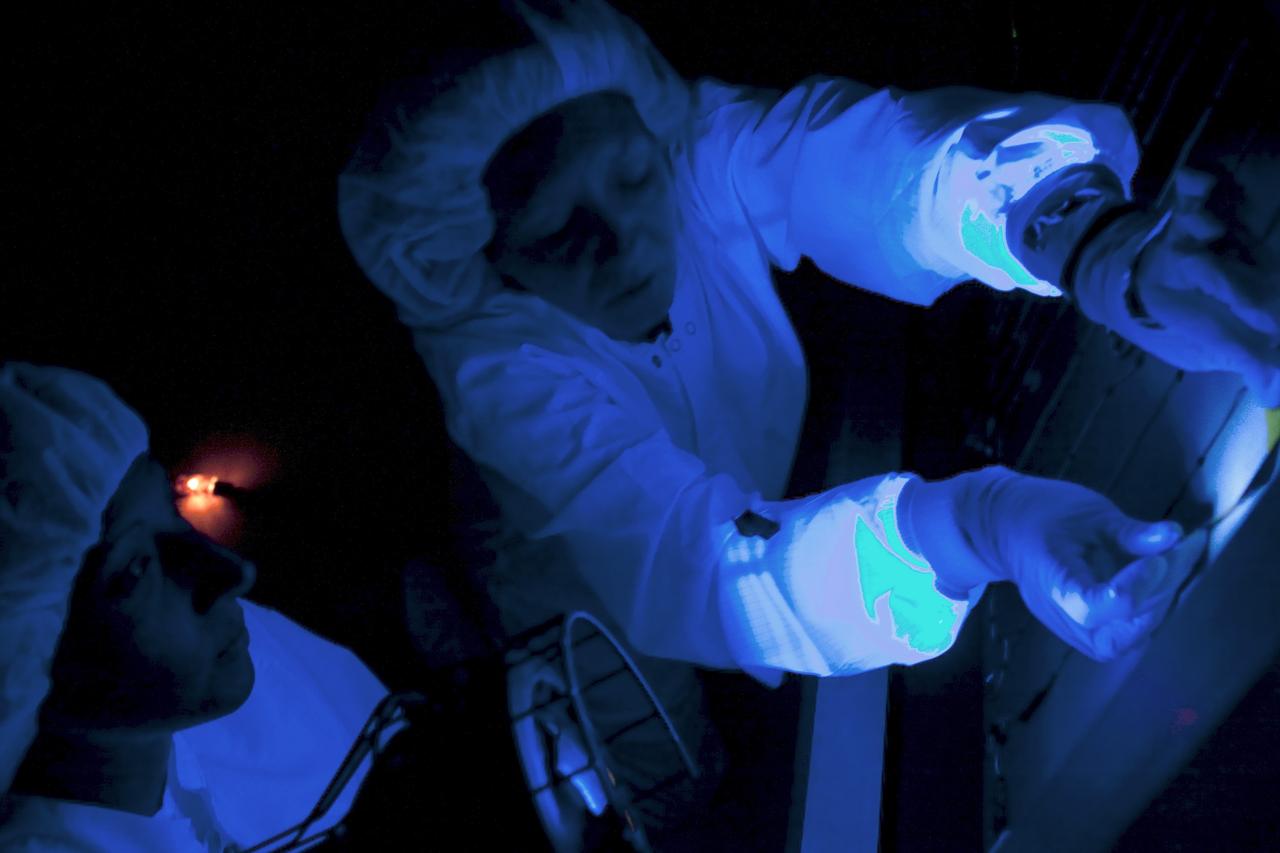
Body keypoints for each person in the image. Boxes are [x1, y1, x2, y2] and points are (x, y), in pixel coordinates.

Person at [337, 0, 1270, 835]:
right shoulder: (500, 373)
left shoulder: (691, 151)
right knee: (670, 782)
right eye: (556, 233)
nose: (623, 242)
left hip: (738, 493)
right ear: (489, 257)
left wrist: (1099, 248)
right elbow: (699, 562)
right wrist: (981, 521)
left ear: (647, 135)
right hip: (578, 602)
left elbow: (862, 160)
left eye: (629, 177)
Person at [0, 363, 389, 852]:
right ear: (19, 670)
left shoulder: (249, 652)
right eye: (135, 571)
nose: (232, 572)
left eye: (171, 510)